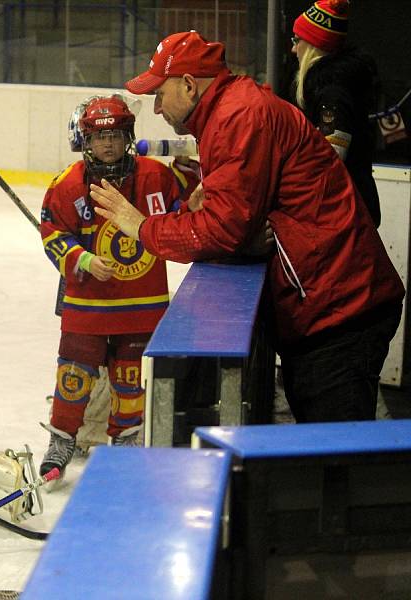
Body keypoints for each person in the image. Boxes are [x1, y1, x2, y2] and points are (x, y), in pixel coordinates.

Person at [90, 30, 405, 424]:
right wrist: (223, 224)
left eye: (159, 93)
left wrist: (142, 227)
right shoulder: (231, 110)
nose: (155, 108)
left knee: (335, 458)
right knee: (324, 442)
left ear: (188, 86)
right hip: (331, 304)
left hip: (339, 310)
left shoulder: (238, 116)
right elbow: (232, 221)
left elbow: (221, 230)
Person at [38, 94, 197, 478]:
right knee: (73, 377)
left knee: (129, 379)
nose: (107, 144)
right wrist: (84, 259)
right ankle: (62, 439)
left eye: (115, 135)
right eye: (98, 137)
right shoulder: (67, 185)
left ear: (128, 135)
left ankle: (126, 436)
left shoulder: (157, 177)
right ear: (85, 140)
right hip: (87, 307)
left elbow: (181, 216)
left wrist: (193, 189)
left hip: (142, 304)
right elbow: (53, 232)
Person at [291, 0, 381, 226]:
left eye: (297, 40)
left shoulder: (332, 96)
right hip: (347, 209)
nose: (293, 49)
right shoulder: (332, 88)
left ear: (312, 45)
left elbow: (328, 163)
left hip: (346, 214)